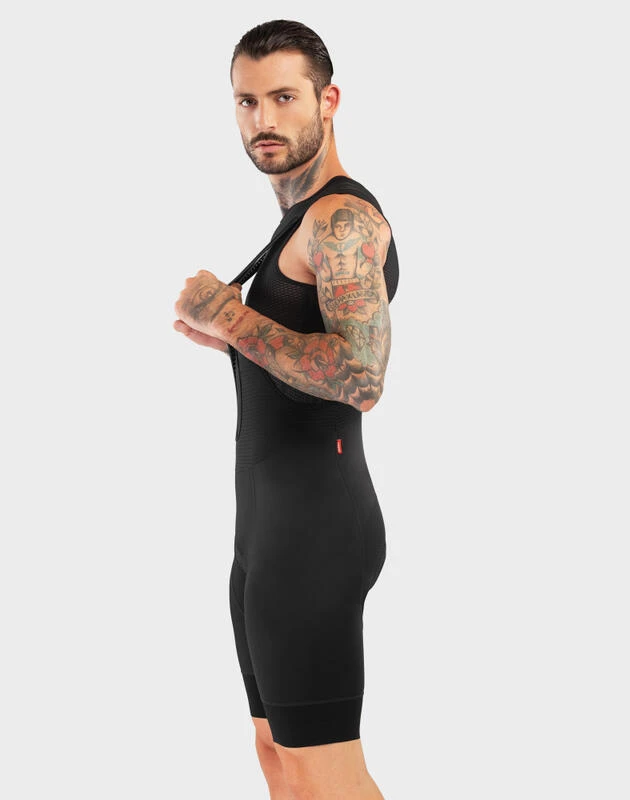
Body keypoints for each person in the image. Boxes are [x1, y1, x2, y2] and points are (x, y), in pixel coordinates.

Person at [174, 19, 398, 800]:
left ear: (327, 101)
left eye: (283, 97)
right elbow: (301, 354)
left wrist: (230, 317)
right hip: (267, 536)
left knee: (327, 774)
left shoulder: (341, 220)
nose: (263, 119)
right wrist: (235, 341)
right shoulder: (294, 223)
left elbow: (361, 376)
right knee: (280, 759)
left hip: (315, 537)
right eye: (247, 101)